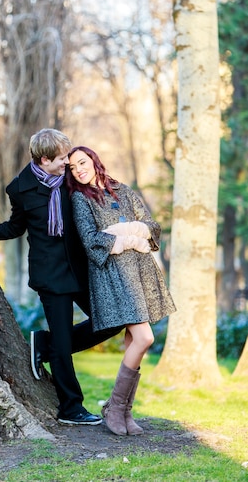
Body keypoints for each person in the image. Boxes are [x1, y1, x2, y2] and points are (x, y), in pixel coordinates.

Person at [0, 129, 123, 425]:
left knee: (112, 321)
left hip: (81, 269)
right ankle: (70, 407)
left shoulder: (69, 181)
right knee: (64, 344)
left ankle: (44, 345)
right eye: (62, 158)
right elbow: (16, 227)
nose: (68, 162)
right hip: (50, 274)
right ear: (45, 159)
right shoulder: (21, 189)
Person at [67, 146, 176, 436]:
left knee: (133, 341)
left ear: (93, 160)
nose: (79, 169)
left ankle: (125, 413)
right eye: (73, 167)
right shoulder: (80, 199)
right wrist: (128, 236)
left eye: (82, 162)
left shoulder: (122, 190)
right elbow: (91, 241)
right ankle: (114, 408)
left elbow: (152, 226)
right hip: (113, 278)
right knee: (145, 337)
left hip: (139, 273)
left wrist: (132, 230)